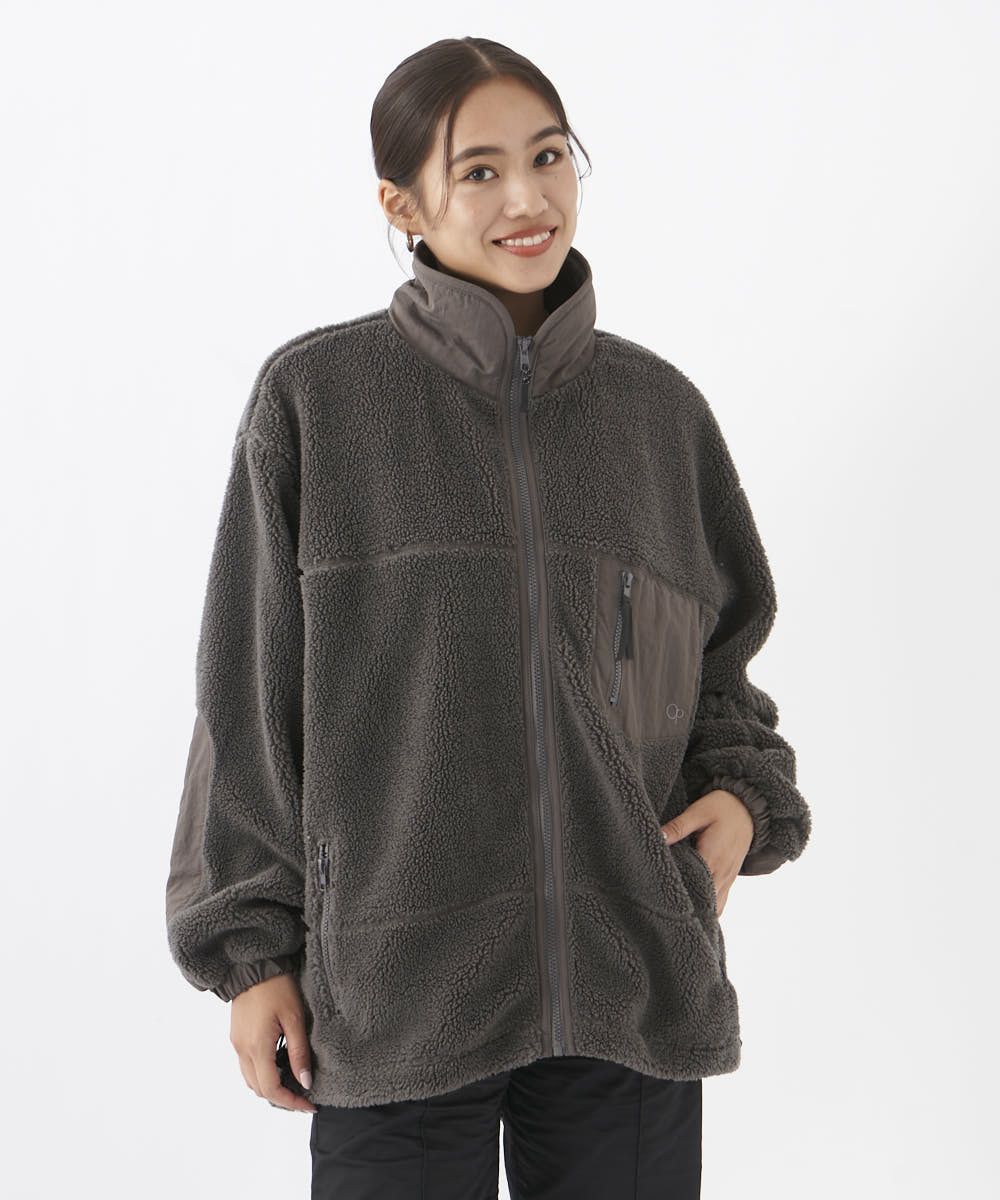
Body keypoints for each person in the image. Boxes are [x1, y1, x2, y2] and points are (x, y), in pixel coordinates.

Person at [165, 36, 812, 1199]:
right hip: (400, 985)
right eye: (479, 171)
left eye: (549, 157)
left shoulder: (655, 416)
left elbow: (705, 671)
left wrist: (738, 798)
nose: (528, 198)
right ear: (401, 204)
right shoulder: (318, 403)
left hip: (626, 975)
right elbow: (248, 695)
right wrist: (251, 955)